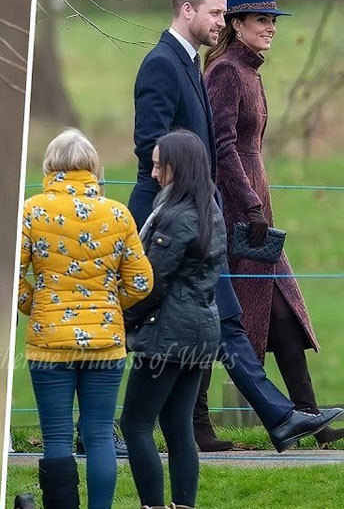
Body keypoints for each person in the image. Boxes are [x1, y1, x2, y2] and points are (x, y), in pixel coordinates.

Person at [130, 0, 342, 454]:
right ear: (187, 11)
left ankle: (281, 417)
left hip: (202, 213)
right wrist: (208, 198)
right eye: (216, 13)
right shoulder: (163, 64)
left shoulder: (190, 64)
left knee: (226, 321)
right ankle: (108, 425)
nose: (221, 23)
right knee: (145, 322)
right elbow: (150, 145)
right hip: (170, 220)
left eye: (226, 14)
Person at [202, 0, 344, 447]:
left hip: (254, 210)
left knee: (280, 311)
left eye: (273, 20)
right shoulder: (226, 71)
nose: (270, 27)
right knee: (224, 320)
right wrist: (247, 203)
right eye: (261, 19)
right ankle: (197, 424)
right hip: (235, 214)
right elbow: (222, 146)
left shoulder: (250, 71)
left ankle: (310, 417)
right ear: (235, 23)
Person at [18, 128, 153, 509]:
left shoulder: (33, 210)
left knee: (57, 437)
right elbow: (142, 281)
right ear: (94, 168)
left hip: (48, 343)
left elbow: (13, 276)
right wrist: (110, 304)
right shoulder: (117, 214)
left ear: (50, 167)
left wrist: (37, 305)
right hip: (106, 344)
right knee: (98, 436)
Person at [120, 130, 225, 509]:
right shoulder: (210, 210)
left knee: (134, 425)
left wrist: (122, 321)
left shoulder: (175, 217)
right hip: (201, 333)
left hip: (168, 335)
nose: (152, 174)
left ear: (177, 167)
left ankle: (152, 505)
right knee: (178, 427)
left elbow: (152, 283)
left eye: (159, 165)